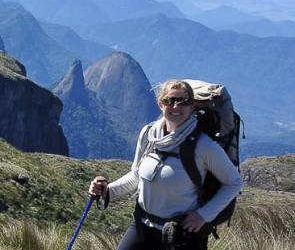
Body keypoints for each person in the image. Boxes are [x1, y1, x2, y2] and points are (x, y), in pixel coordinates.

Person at [88, 79, 243, 250]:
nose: (175, 107)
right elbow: (136, 176)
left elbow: (234, 182)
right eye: (169, 101)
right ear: (160, 104)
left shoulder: (203, 146)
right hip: (141, 228)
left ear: (192, 106)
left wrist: (203, 215)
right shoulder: (149, 135)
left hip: (181, 236)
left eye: (183, 101)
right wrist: (107, 190)